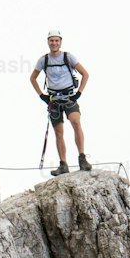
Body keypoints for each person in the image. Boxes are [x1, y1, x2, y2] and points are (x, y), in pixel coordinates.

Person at [29, 29, 90, 176]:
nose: (54, 43)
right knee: (59, 132)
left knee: (76, 122)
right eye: (51, 40)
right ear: (48, 42)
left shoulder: (68, 57)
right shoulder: (44, 60)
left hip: (69, 97)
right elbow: (32, 78)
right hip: (54, 100)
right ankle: (63, 164)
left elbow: (85, 74)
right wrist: (41, 96)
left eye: (57, 40)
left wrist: (79, 93)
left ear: (60, 42)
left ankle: (82, 158)